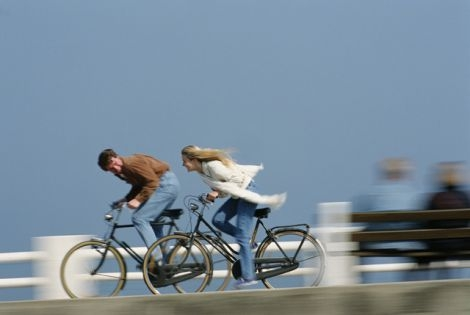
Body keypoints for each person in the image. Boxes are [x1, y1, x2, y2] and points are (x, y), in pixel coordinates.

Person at [181, 145, 287, 289]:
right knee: (218, 220)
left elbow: (236, 181)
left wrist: (217, 192)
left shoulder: (213, 166)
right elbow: (226, 189)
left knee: (241, 236)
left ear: (192, 159)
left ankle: (249, 277)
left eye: (184, 161)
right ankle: (248, 242)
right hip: (239, 194)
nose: (183, 165)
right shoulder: (202, 174)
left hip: (247, 190)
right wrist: (211, 196)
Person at [352, 157, 425, 283]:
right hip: (408, 246)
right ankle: (414, 282)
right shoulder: (416, 196)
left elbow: (359, 217)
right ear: (404, 173)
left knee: (359, 238)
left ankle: (362, 281)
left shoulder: (371, 195)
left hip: (376, 245)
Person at [97, 149, 180, 249]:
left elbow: (152, 182)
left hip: (165, 185)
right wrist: (125, 199)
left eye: (115, 163)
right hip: (164, 185)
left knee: (139, 218)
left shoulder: (132, 163)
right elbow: (139, 186)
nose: (116, 168)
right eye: (111, 169)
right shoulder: (122, 171)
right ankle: (164, 262)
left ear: (117, 157)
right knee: (154, 225)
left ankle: (155, 258)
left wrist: (138, 200)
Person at [423, 161, 470, 280]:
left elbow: (426, 223)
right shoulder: (464, 197)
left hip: (438, 245)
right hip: (462, 245)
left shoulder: (434, 198)